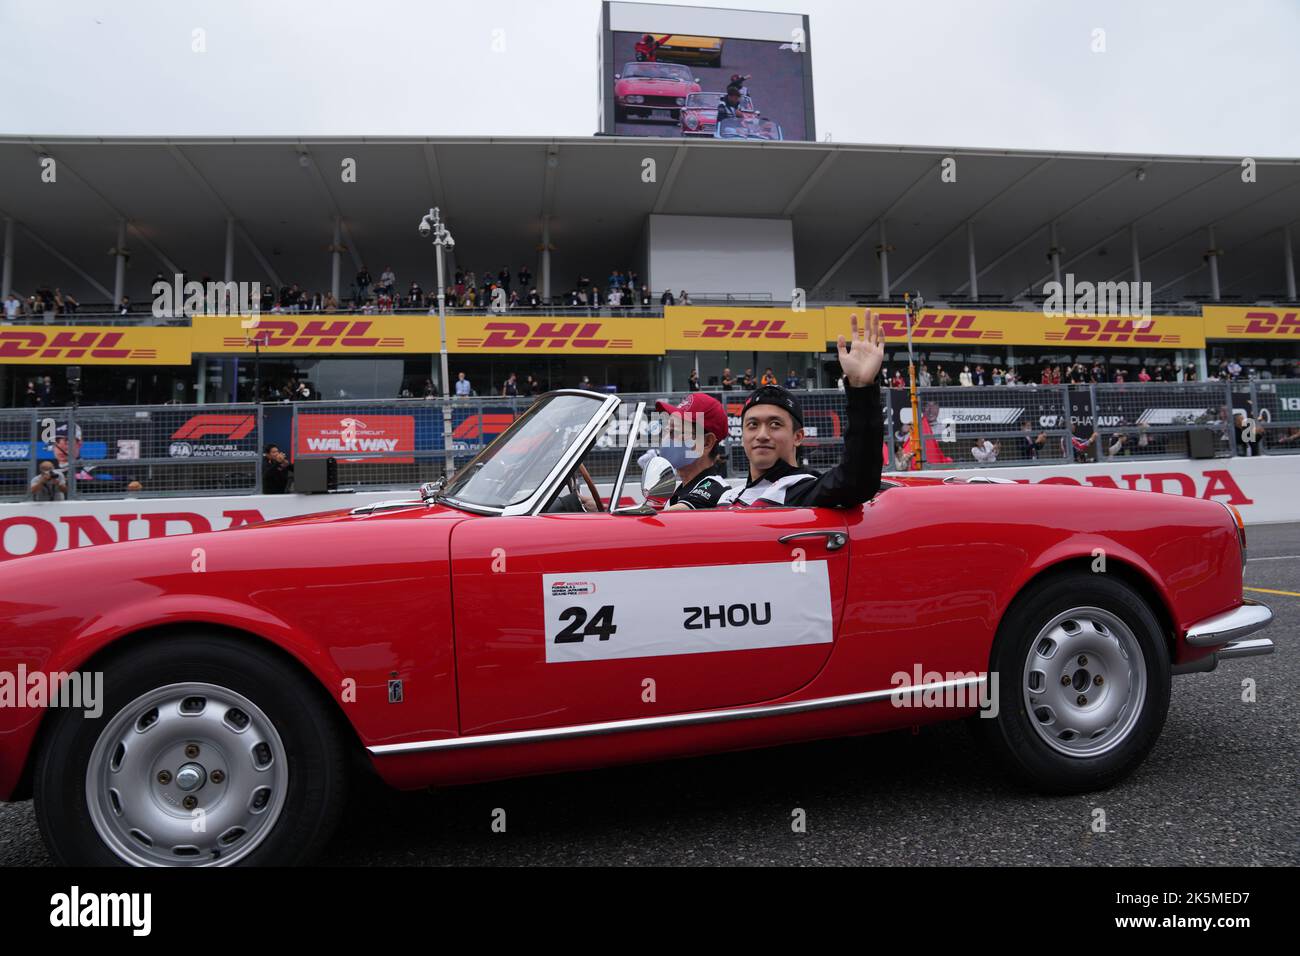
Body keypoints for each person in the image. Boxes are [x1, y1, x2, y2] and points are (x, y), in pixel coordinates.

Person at [715, 312, 885, 508]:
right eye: (753, 425)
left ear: (798, 436)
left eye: (775, 424)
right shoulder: (727, 496)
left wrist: (861, 390)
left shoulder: (805, 490)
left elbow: (857, 479)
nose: (762, 435)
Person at [639, 393, 732, 510]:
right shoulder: (678, 493)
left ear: (706, 442)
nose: (666, 439)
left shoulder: (714, 488)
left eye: (675, 432)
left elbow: (662, 519)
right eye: (666, 431)